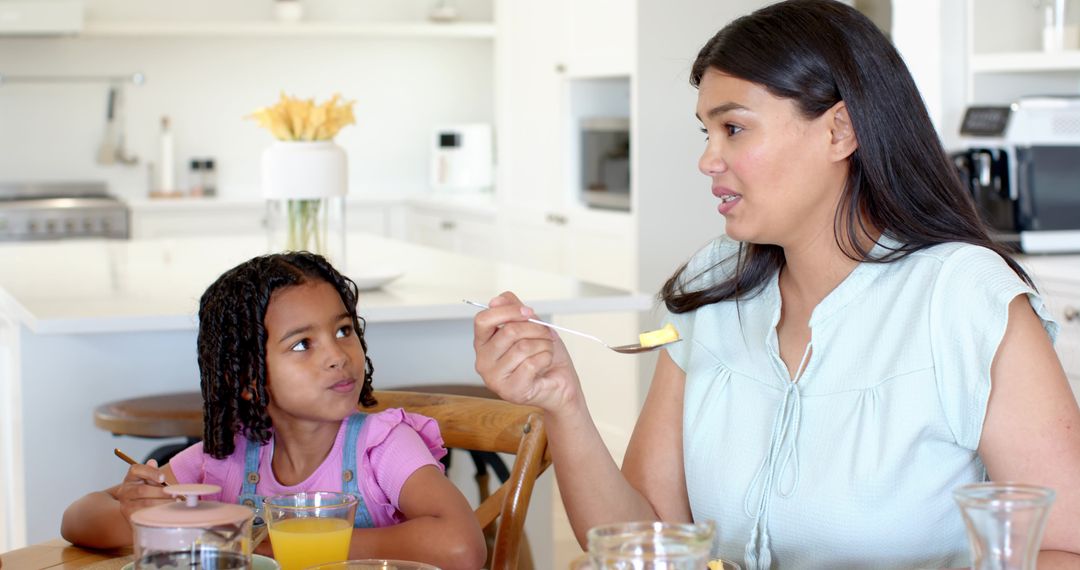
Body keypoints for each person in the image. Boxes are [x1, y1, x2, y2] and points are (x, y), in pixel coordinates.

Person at [472, 1, 1080, 568]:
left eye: (733, 128)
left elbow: (1064, 548)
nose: (708, 159)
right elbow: (653, 538)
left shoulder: (965, 299)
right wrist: (563, 402)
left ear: (840, 131)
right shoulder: (713, 286)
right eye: (705, 133)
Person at [62, 252, 486, 570]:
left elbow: (460, 547)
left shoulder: (383, 445)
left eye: (343, 330)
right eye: (303, 344)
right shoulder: (227, 458)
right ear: (248, 379)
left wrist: (272, 546)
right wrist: (140, 510)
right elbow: (78, 520)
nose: (338, 355)